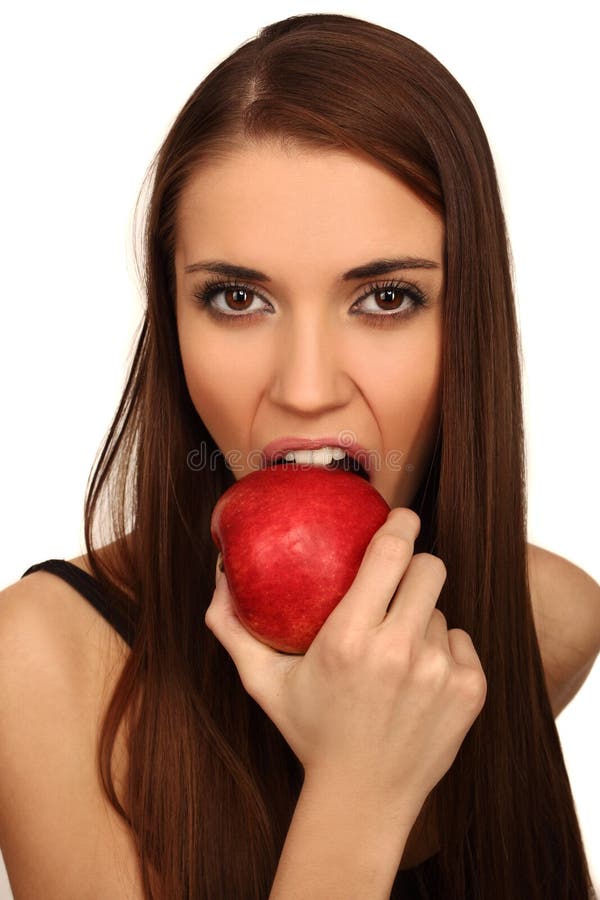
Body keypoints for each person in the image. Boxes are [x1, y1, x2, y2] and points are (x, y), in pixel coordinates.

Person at [0, 12, 598, 900]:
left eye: (387, 297)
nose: (307, 387)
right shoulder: (42, 670)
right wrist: (359, 795)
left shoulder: (545, 619)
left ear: (469, 321)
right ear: (171, 318)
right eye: (238, 297)